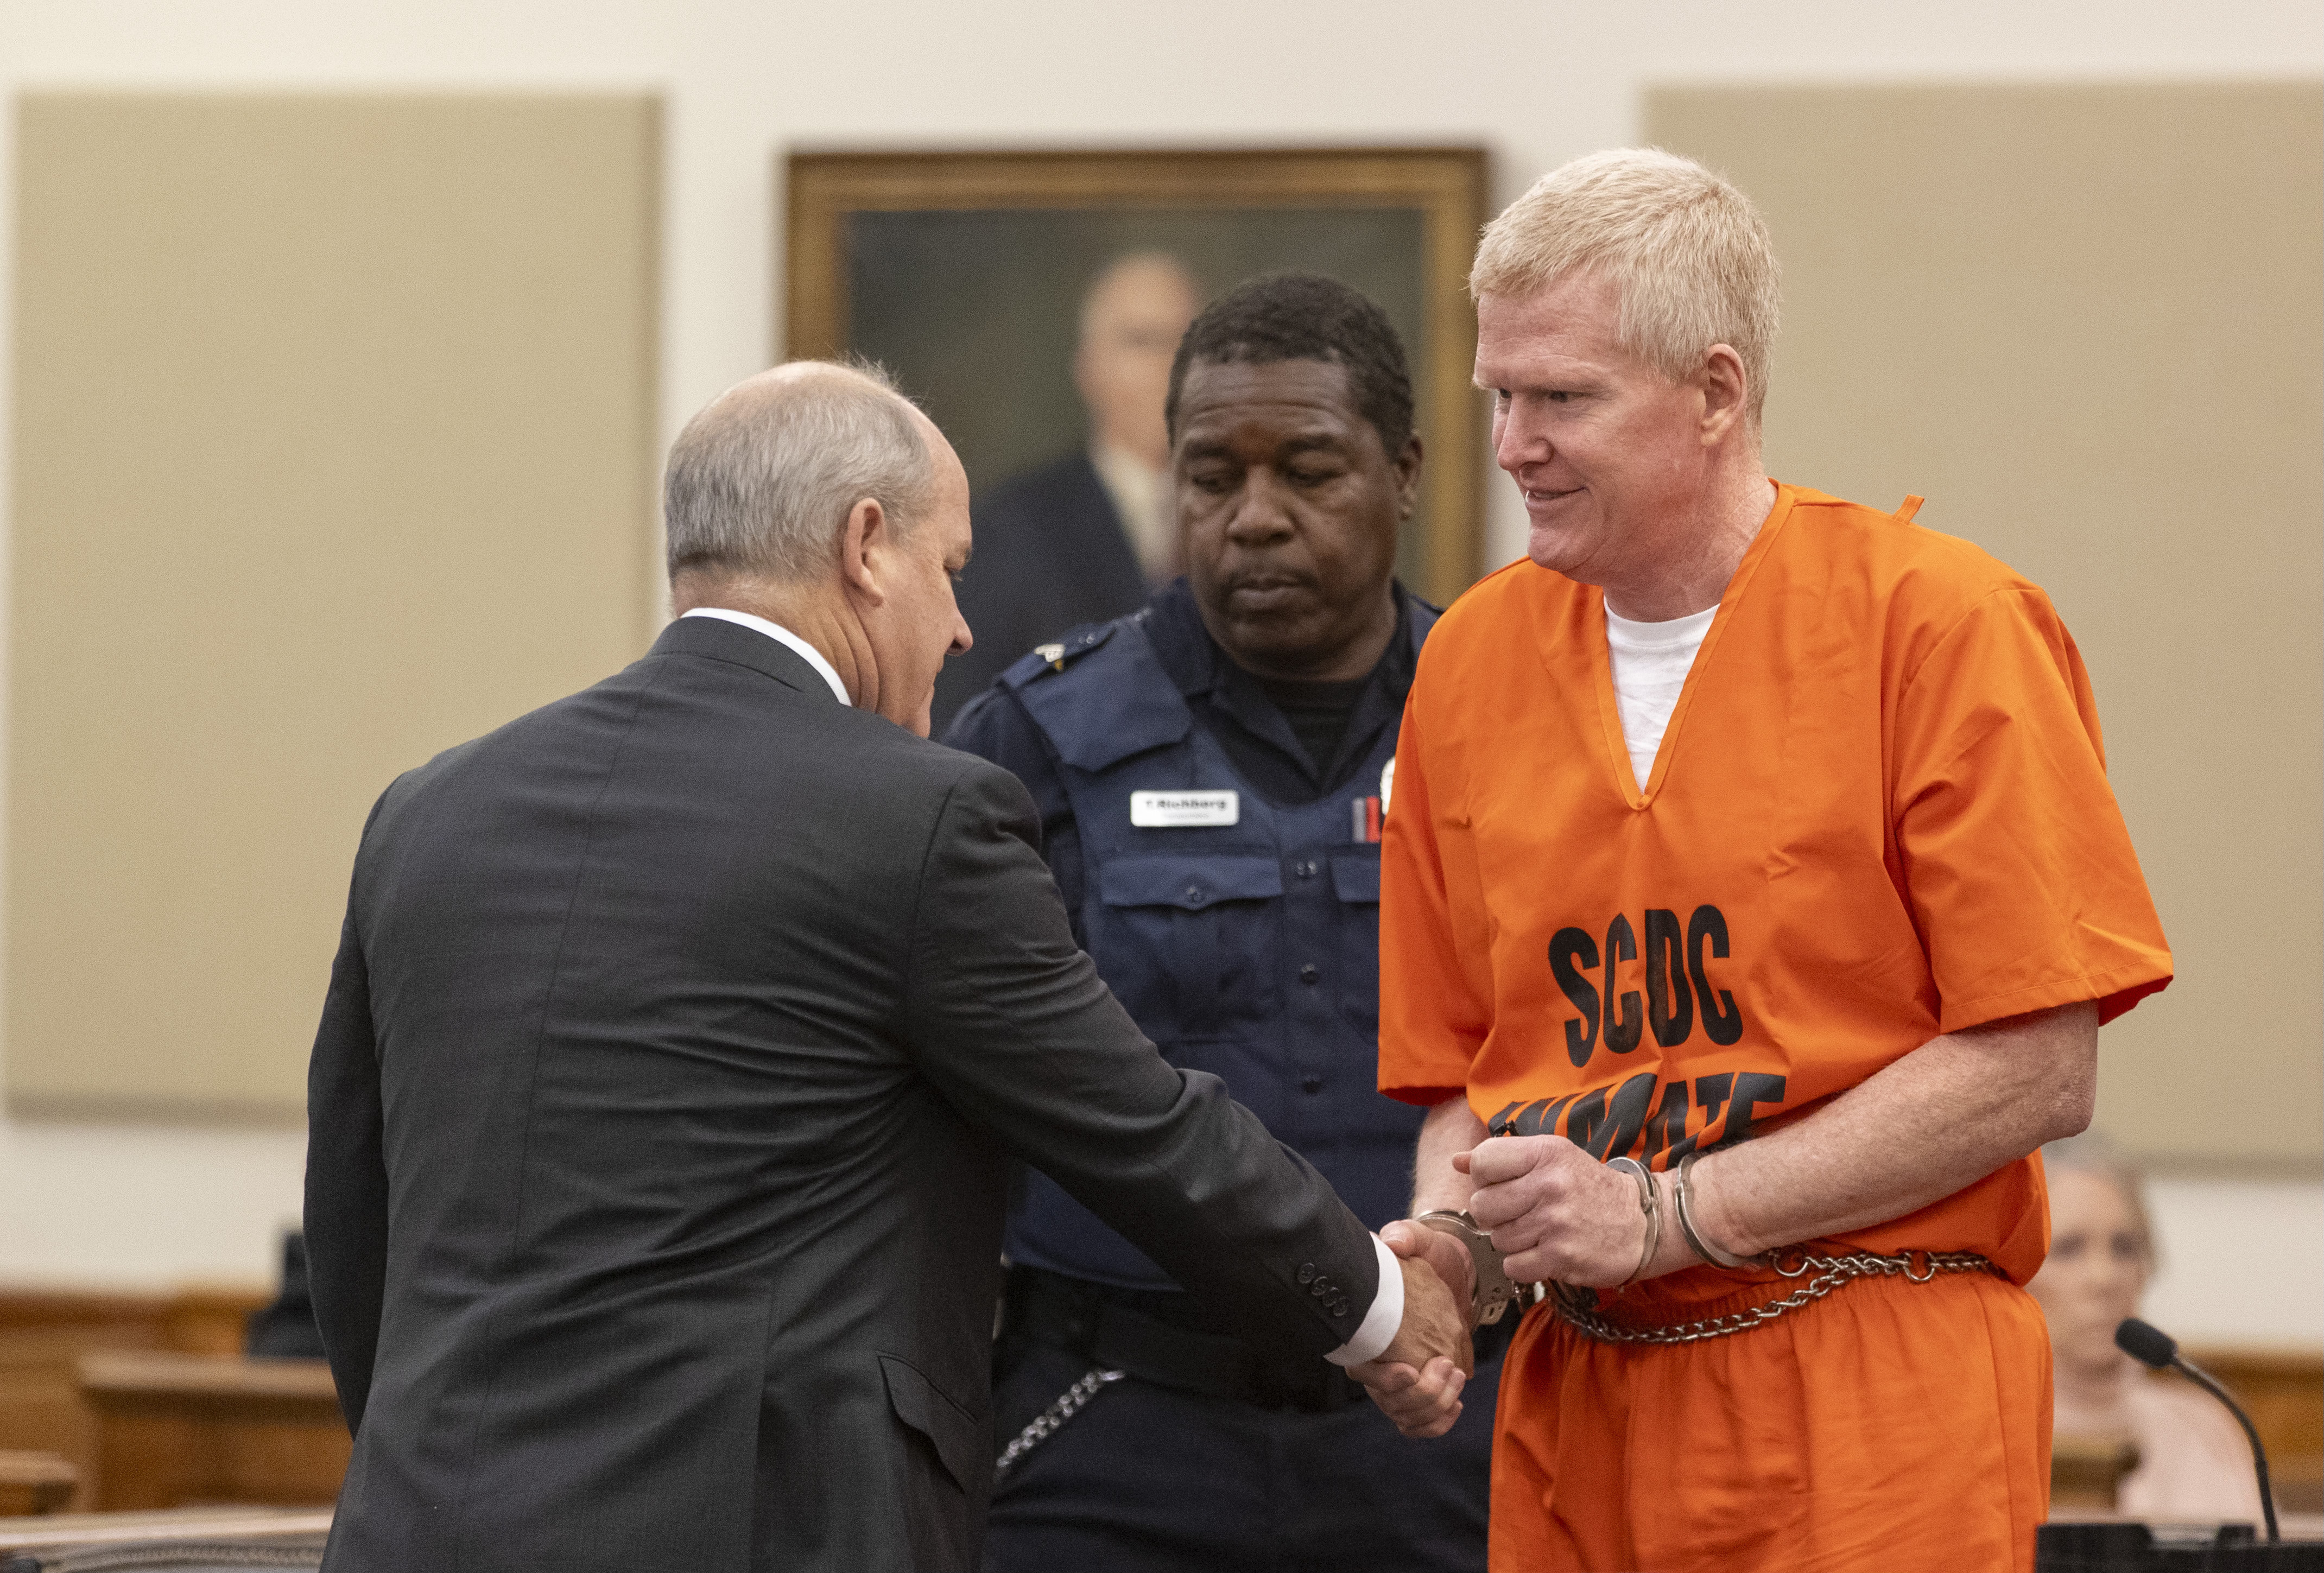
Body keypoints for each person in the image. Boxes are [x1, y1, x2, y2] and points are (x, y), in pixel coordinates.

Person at [300, 360, 1468, 1573]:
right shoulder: (914, 819)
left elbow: (351, 1217)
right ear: (865, 546)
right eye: (949, 569)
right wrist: (1386, 1309)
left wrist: (437, 1467)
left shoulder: (430, 810)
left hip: (420, 1523)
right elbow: (1141, 1131)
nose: (961, 626)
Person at [1373, 149, 2175, 1573]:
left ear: (1715, 391)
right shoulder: (1469, 660)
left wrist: (1668, 1214)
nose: (1510, 445)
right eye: (1499, 395)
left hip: (1869, 1378)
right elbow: (1467, 1077)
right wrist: (1455, 1248)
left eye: (1562, 399)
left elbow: (2038, 1065)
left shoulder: (1941, 626)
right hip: (1582, 1393)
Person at [947, 272, 1497, 1572]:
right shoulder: (1038, 740)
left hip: (1442, 1434)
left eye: (1306, 472)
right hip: (1114, 1431)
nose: (1253, 517)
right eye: (1209, 477)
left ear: (1403, 472)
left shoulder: (1507, 721)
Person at [932, 252, 1201, 730]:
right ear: (1089, 367)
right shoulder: (1015, 527)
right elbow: (970, 717)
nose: (1171, 365)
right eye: (1142, 342)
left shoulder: (1245, 518)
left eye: (1188, 342)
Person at [2031, 1136, 2268, 1521]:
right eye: (2068, 1249)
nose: (2105, 1278)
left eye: (2124, 1247)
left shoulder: (2204, 1426)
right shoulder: (1988, 1436)